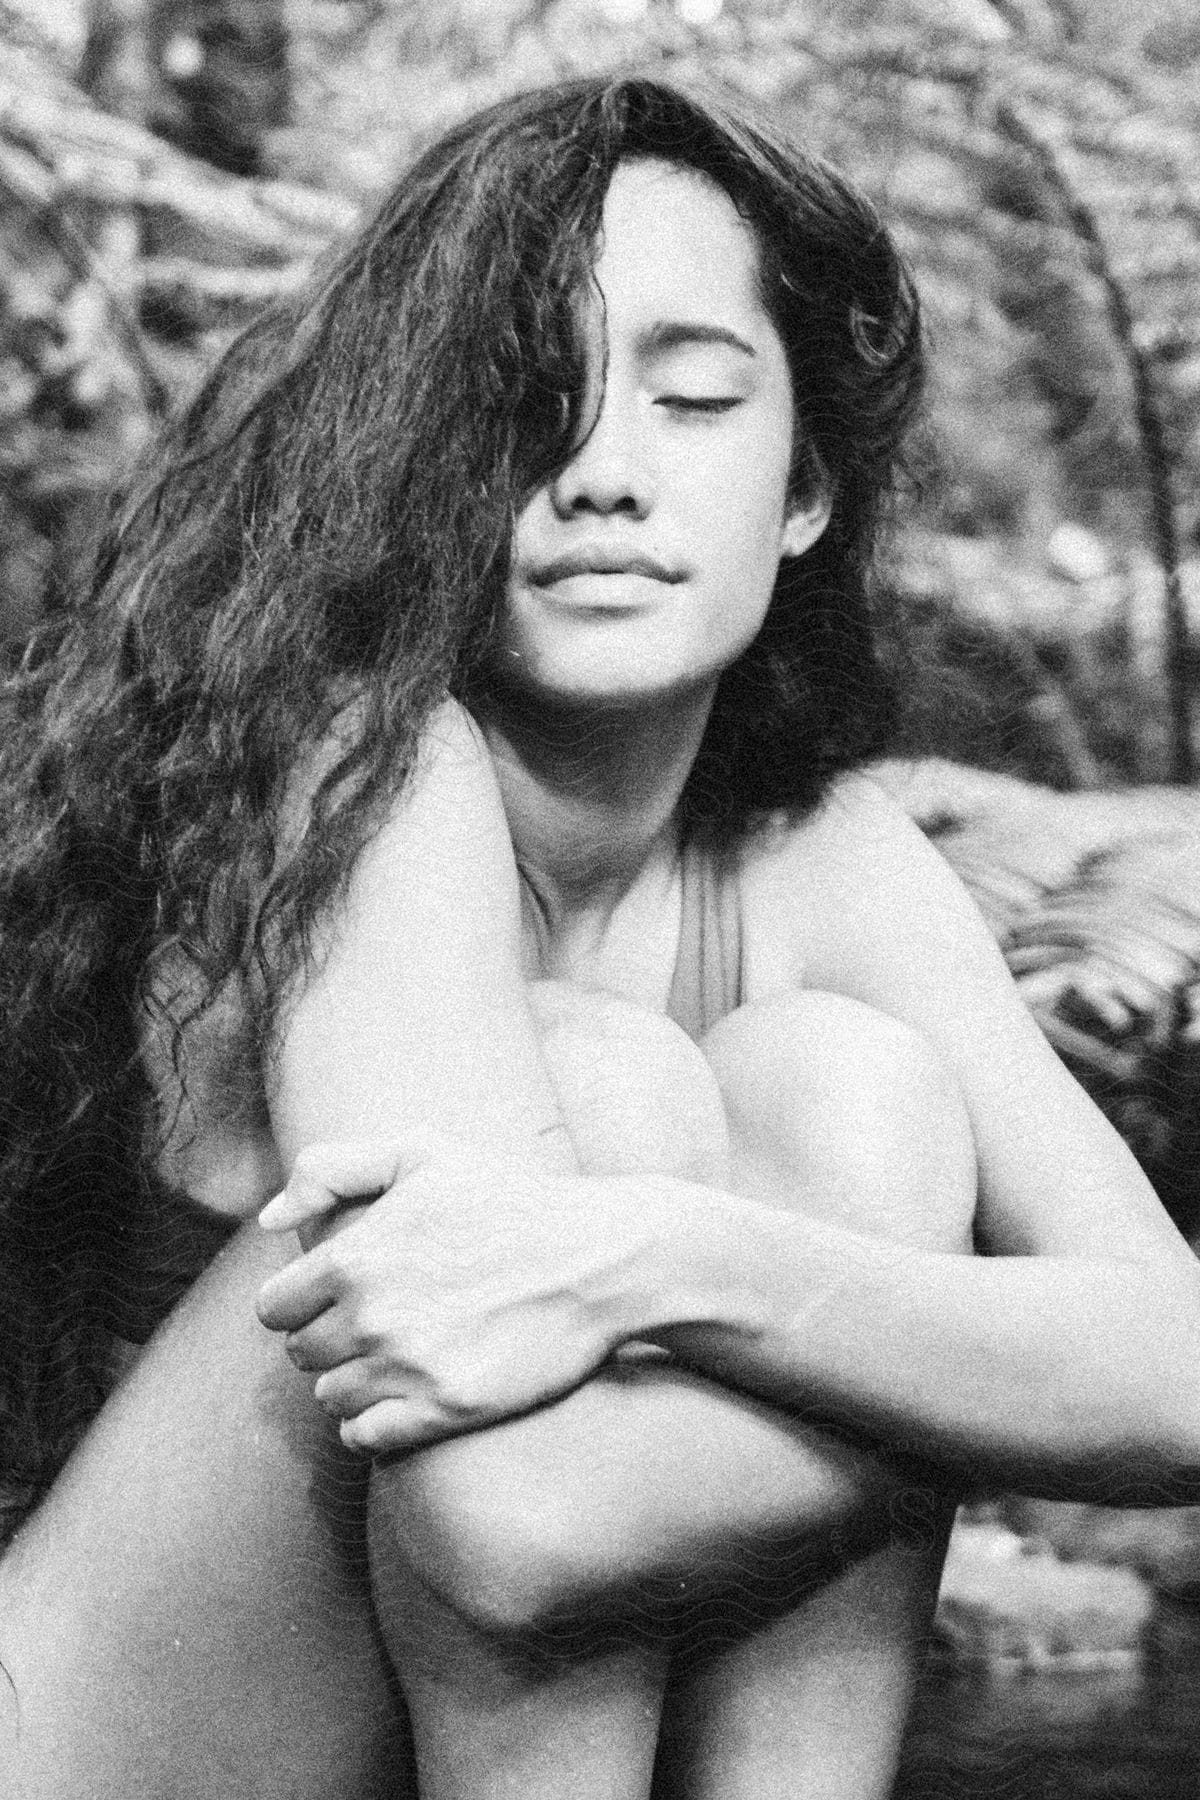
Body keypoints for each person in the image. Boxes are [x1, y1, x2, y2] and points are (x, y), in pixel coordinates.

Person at [1, 73, 1198, 1800]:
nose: (604, 478)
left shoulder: (830, 864)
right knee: (610, 1080)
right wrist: (966, 1376)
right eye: (525, 412)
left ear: (806, 496)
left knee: (849, 1088)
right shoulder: (372, 774)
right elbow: (519, 1530)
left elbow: (1182, 1365)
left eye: (697, 400)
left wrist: (660, 1260)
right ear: (424, 482)